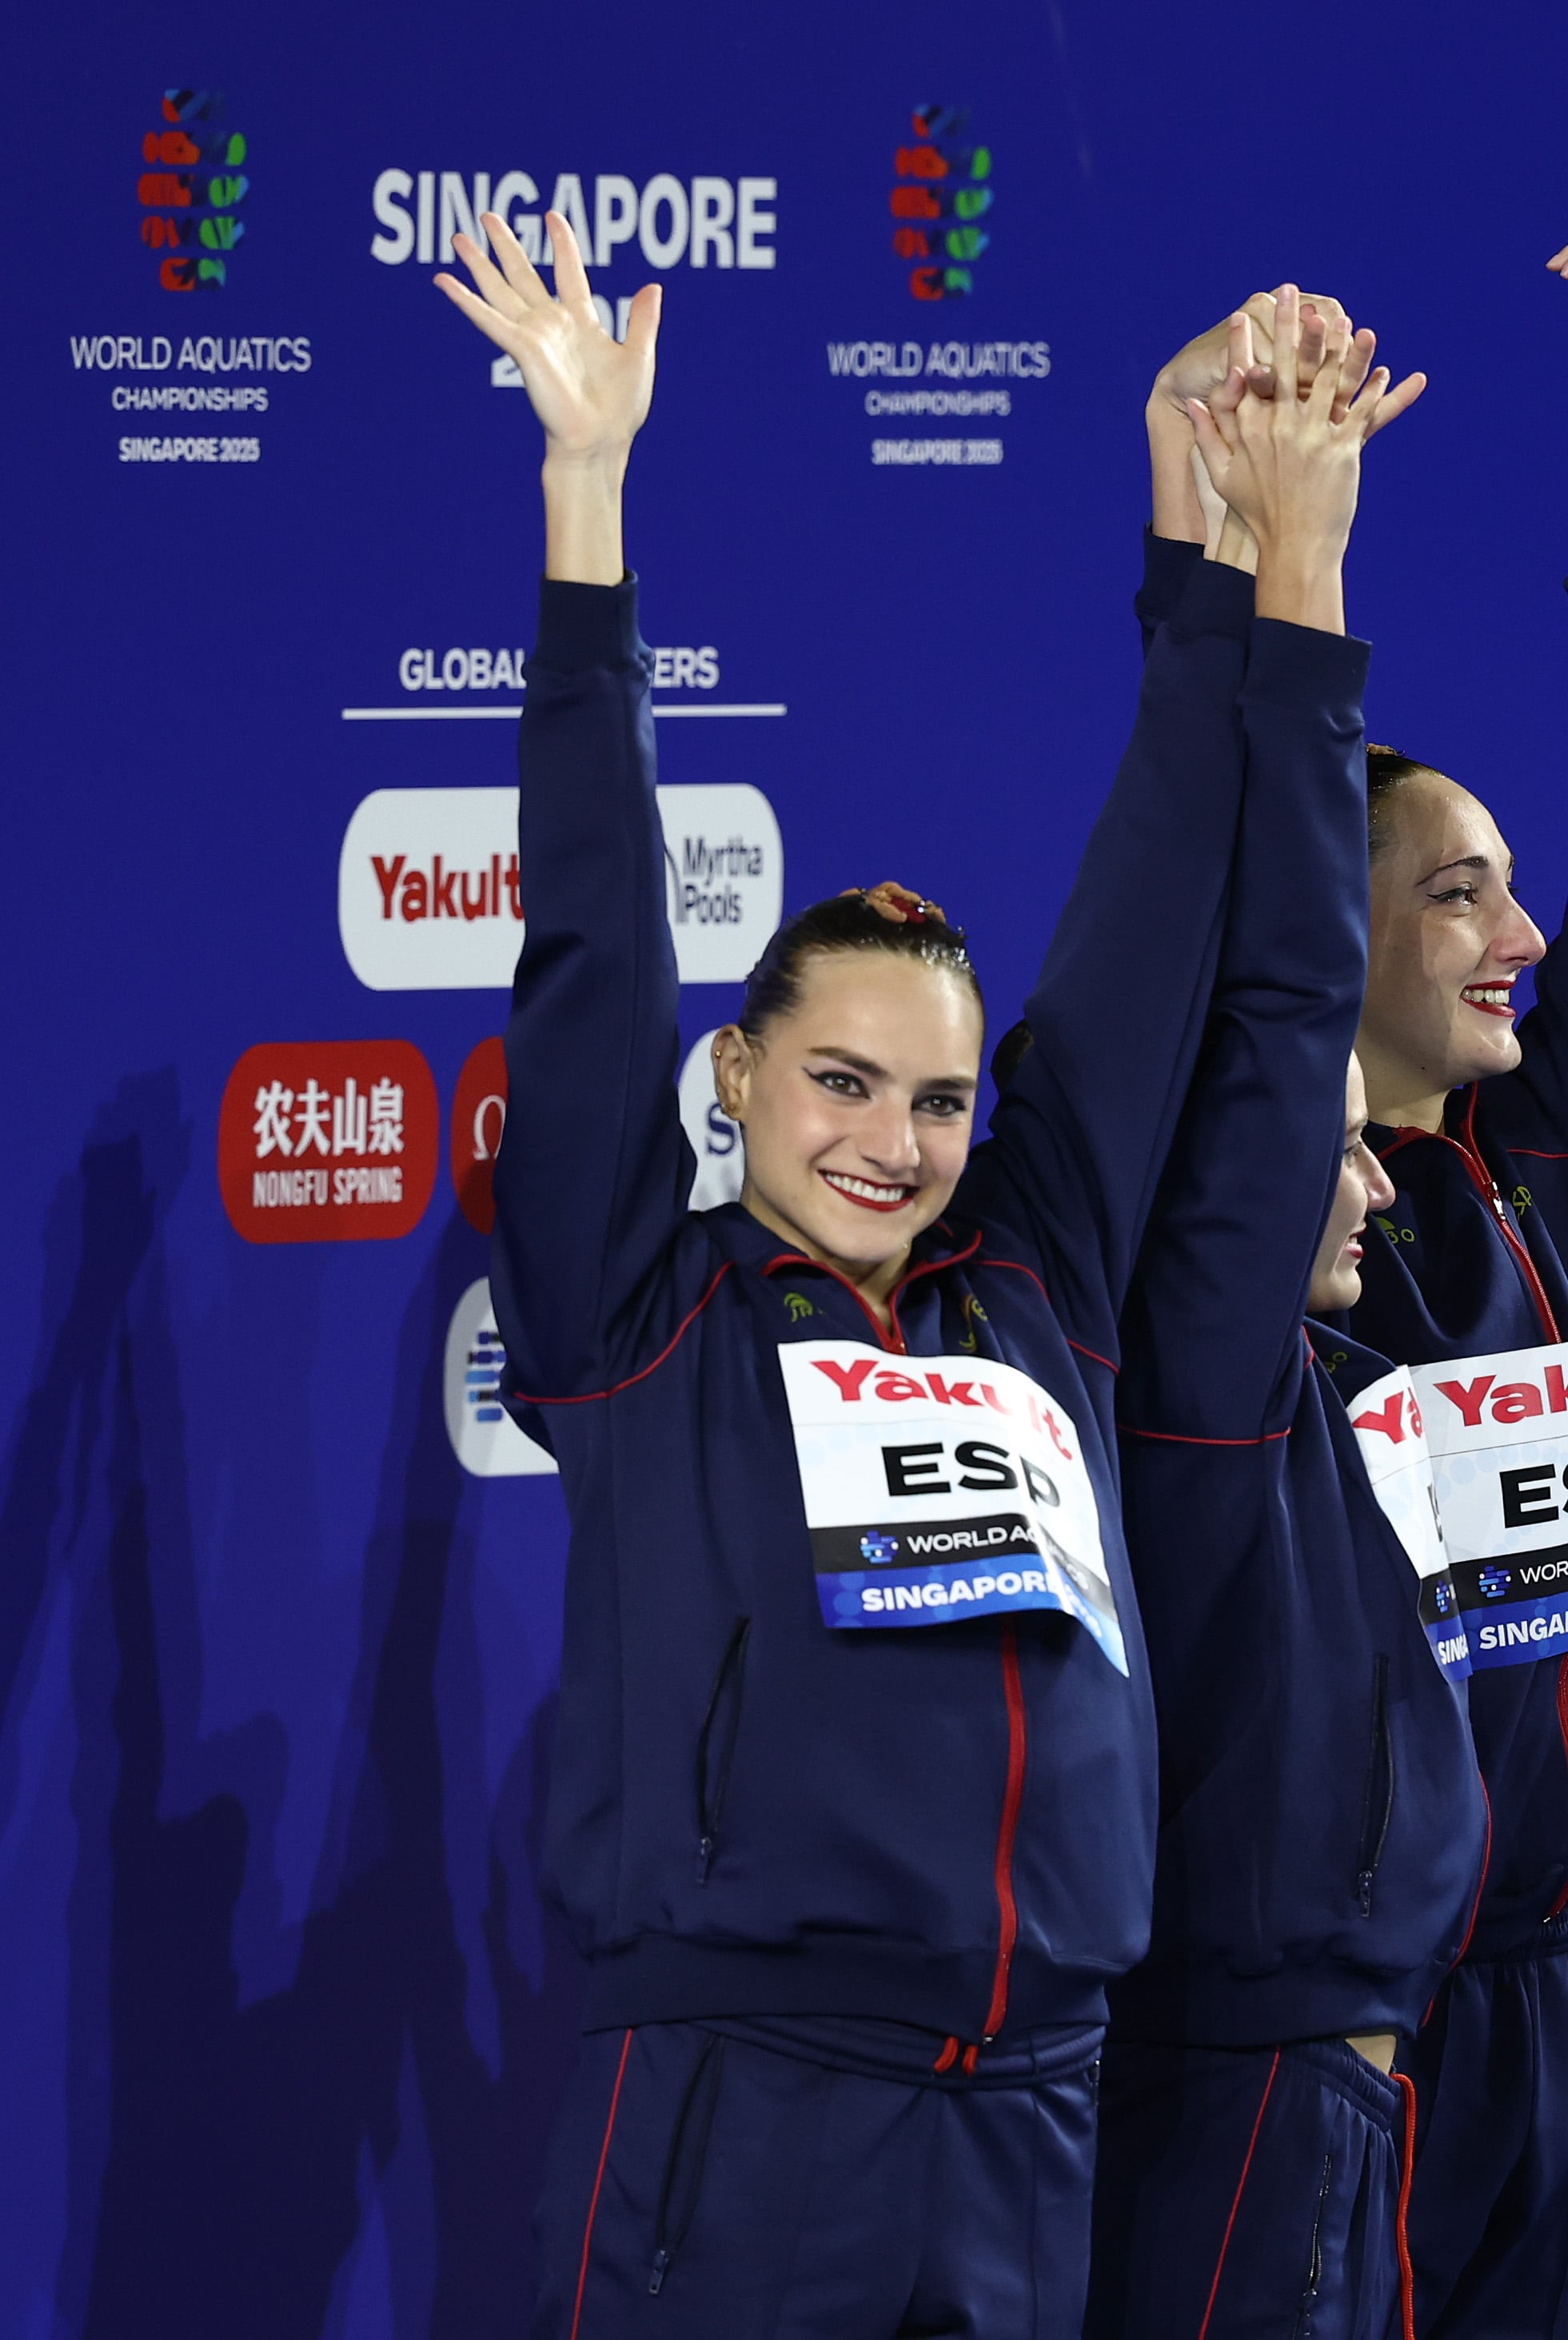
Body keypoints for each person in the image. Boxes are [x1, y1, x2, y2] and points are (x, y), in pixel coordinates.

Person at [446, 211, 1185, 2337]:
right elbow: (588, 940)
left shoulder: (1029, 1286)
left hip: (1030, 2108)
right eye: (841, 1082)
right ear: (741, 1074)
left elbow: (1144, 930)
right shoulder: (640, 1304)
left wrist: (1226, 585)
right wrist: (585, 498)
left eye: (940, 1098)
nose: (892, 1141)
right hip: (742, 2107)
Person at [1243, 226, 1568, 2340]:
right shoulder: (1241, 1247)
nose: (1517, 929)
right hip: (1354, 2017)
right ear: (1323, 929)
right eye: (1454, 892)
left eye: (1504, 882)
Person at [1079, 293, 1481, 2340]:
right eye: (1322, 1140)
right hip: (1234, 2108)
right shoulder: (1198, 1380)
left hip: (1351, 2086)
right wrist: (1285, 574)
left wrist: (1215, 527)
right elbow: (1250, 981)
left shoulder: (1297, 1379)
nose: (1369, 1167)